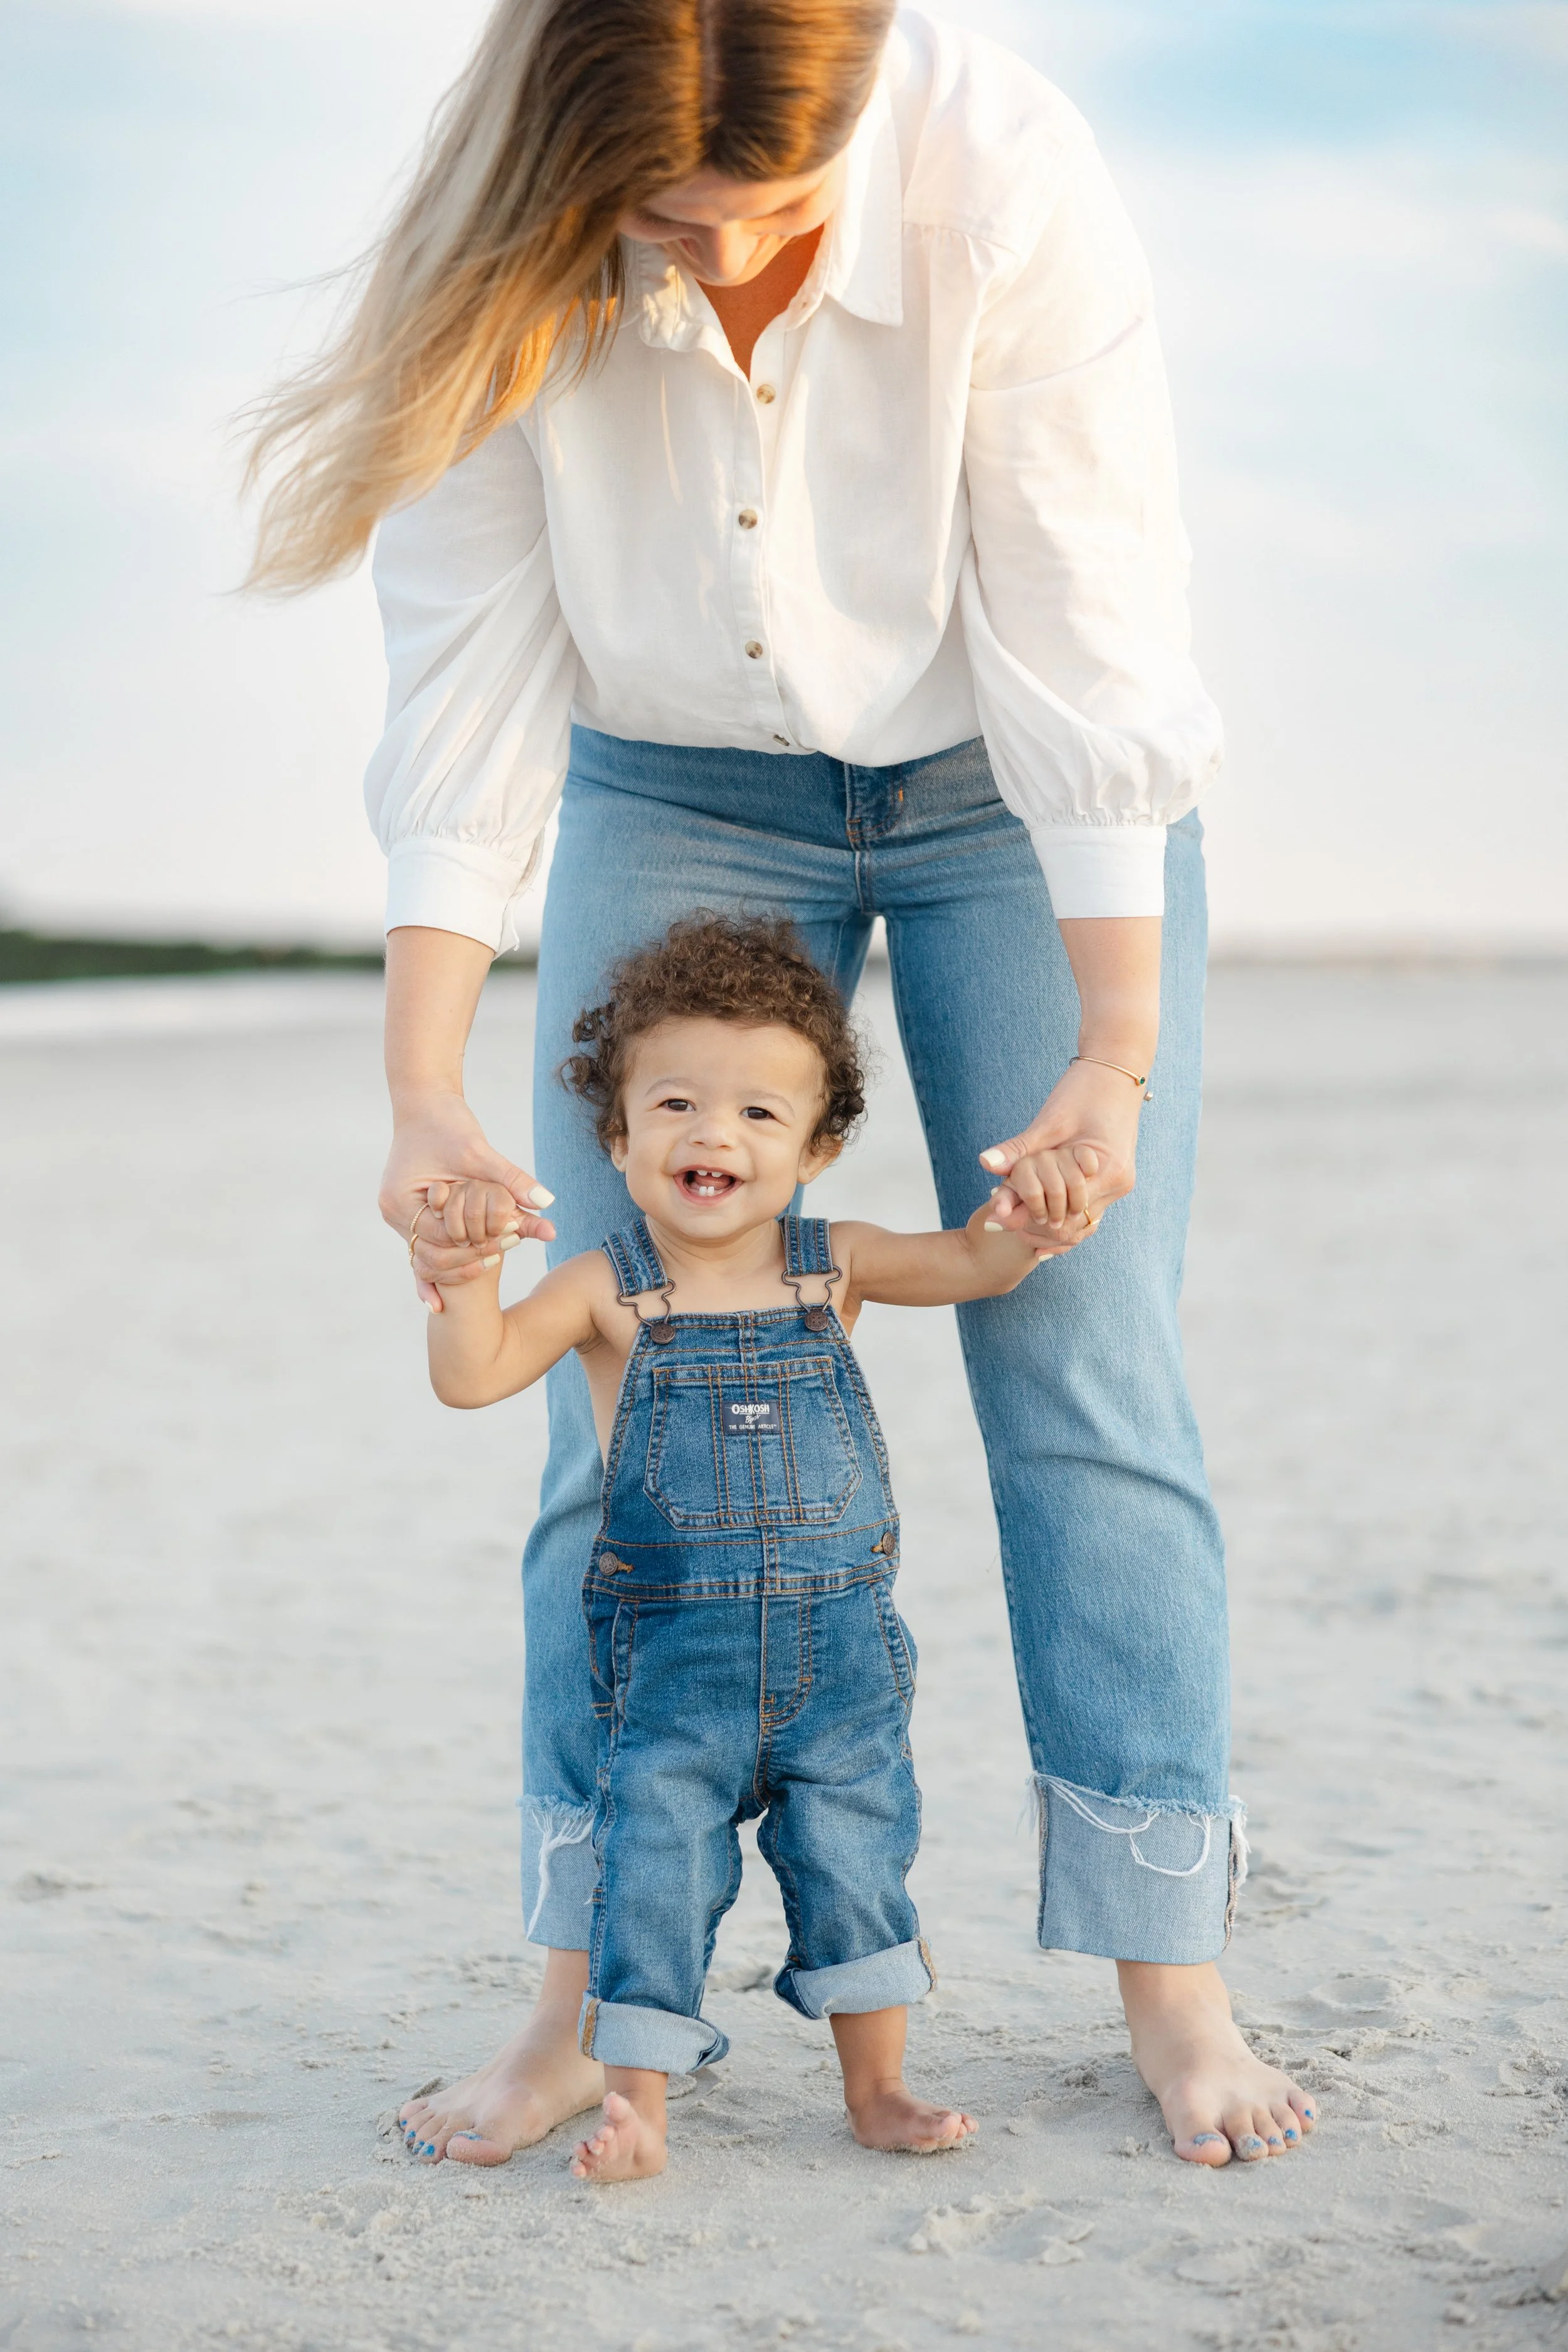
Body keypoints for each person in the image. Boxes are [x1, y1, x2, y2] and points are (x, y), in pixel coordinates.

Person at [249, 0, 1317, 2166]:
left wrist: (1115, 1057)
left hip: (1016, 786)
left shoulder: (1006, 176)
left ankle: (1172, 1981)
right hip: (678, 781)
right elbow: (464, 679)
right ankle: (577, 1997)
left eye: (778, 219)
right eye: (670, 224)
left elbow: (1092, 636)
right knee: (606, 1390)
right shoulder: (502, 242)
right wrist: (424, 1093)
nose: (725, 266)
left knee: (1086, 1352)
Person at [411, 913, 1048, 2177]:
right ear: (619, 1133)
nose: (715, 1134)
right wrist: (463, 1276)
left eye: (761, 1115)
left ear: (816, 1147)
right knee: (649, 1866)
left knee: (857, 1858)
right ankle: (633, 2105)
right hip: (670, 1666)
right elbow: (472, 1377)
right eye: (678, 1104)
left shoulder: (838, 1267)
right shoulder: (604, 1287)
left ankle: (878, 2089)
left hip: (841, 1657)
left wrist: (1037, 1211)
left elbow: (980, 1264)